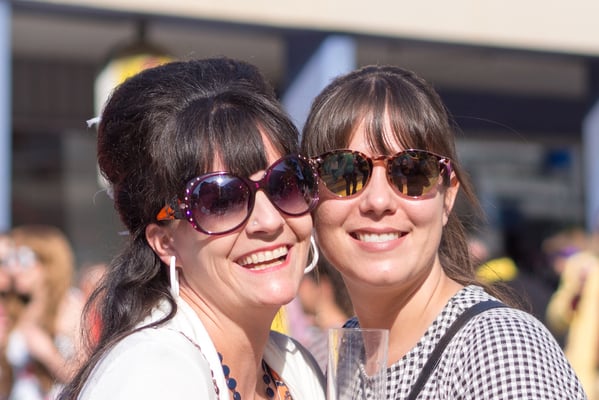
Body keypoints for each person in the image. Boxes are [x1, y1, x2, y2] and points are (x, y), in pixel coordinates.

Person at [301, 65, 587, 399]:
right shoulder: (330, 361)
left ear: (448, 196)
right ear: (309, 195)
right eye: (344, 172)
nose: (378, 201)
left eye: (411, 172)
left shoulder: (501, 349)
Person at [58, 57, 325, 399]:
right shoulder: (153, 376)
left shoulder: (295, 368)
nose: (270, 221)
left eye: (285, 182)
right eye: (222, 199)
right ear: (164, 241)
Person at [5, 225, 84, 400]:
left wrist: (48, 353)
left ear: (48, 263)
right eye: (11, 259)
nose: (14, 269)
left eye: (23, 259)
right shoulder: (19, 308)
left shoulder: (70, 305)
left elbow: (85, 375)